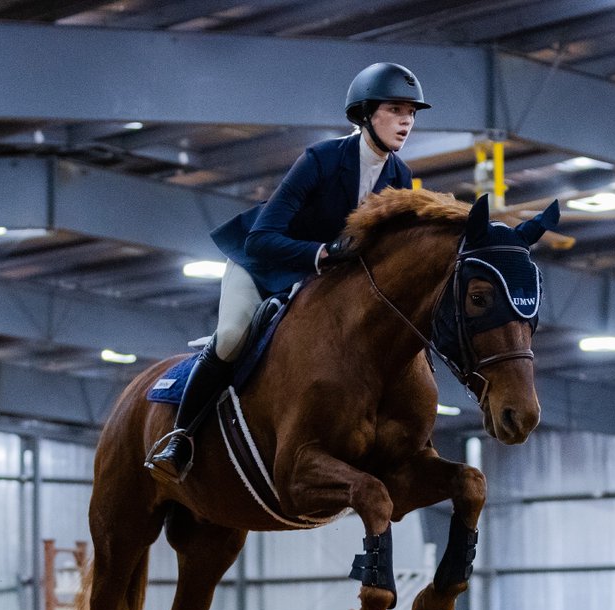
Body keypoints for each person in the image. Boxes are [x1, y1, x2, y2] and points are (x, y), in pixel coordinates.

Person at [147, 62, 430, 484]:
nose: (406, 121)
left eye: (411, 112)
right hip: (261, 264)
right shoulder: (320, 159)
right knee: (230, 338)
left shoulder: (399, 177)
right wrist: (320, 252)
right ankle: (180, 437)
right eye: (395, 109)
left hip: (321, 283)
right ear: (366, 113)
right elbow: (263, 237)